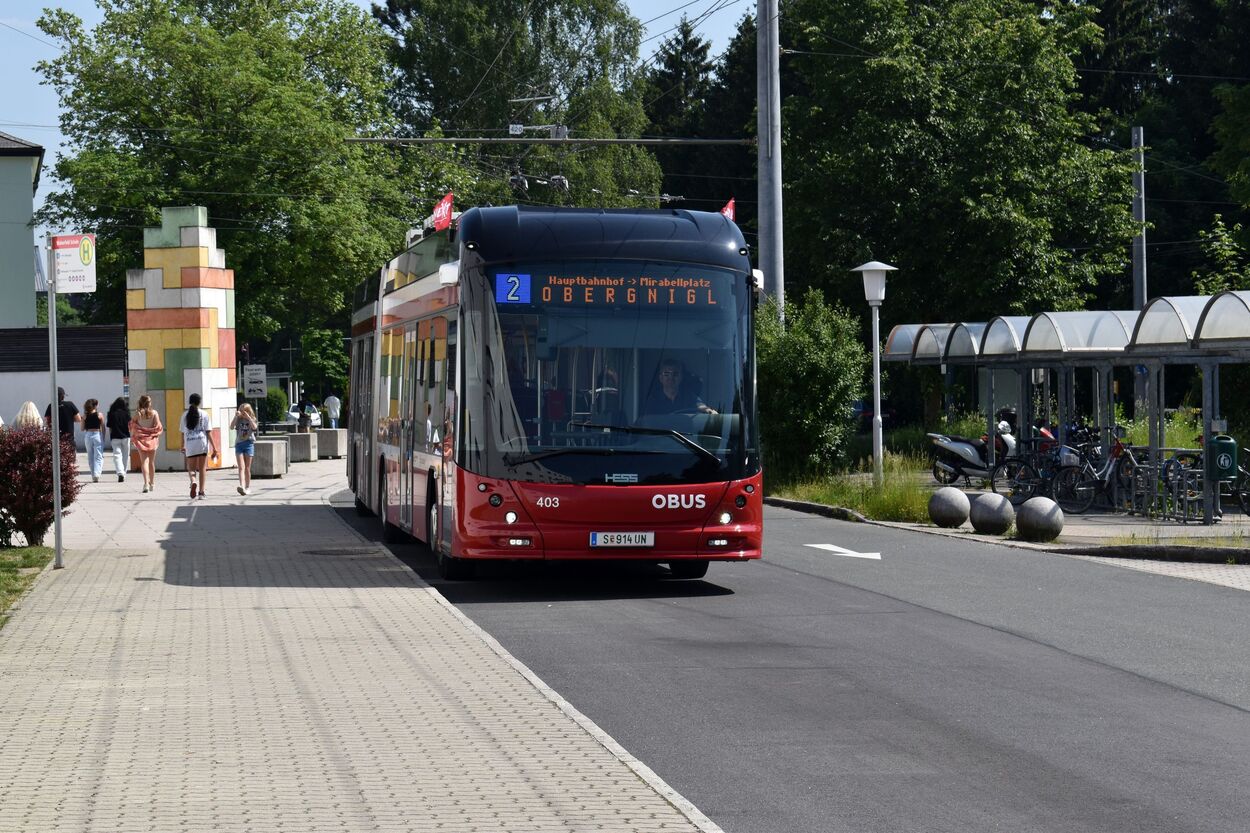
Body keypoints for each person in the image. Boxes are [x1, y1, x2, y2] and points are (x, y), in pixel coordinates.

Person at [643, 358, 716, 415]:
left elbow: (702, 407)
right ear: (660, 378)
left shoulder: (688, 396)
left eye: (675, 374)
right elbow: (648, 422)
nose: (671, 377)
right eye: (666, 374)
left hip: (684, 434)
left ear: (681, 378)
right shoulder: (653, 399)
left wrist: (709, 411)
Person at [180, 393, 219, 499]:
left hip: (190, 444)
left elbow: (183, 432)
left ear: (189, 401)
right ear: (199, 402)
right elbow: (208, 432)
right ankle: (201, 493)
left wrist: (182, 445)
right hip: (202, 443)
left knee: (191, 468)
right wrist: (215, 448)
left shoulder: (184, 415)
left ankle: (193, 481)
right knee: (202, 469)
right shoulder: (205, 414)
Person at [129, 394, 164, 493]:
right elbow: (157, 427)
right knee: (151, 462)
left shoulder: (137, 414)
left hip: (141, 440)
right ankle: (152, 483)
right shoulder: (154, 413)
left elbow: (132, 425)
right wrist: (152, 432)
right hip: (152, 439)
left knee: (144, 462)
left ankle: (146, 484)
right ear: (149, 403)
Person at [230, 403, 259, 496]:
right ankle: (242, 486)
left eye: (244, 411)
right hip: (239, 444)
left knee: (247, 468)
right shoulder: (239, 419)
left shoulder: (252, 419)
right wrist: (235, 416)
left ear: (248, 411)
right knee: (241, 467)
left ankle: (247, 487)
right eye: (241, 411)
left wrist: (248, 418)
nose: (242, 413)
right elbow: (231, 427)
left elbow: (254, 427)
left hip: (249, 444)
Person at [106, 397, 131, 483]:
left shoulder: (111, 414)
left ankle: (120, 472)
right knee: (125, 456)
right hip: (126, 436)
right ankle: (123, 472)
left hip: (115, 437)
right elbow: (130, 426)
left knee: (117, 455)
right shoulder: (127, 413)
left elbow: (110, 427)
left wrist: (111, 437)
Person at [81, 399, 105, 482]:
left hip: (88, 435)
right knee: (98, 456)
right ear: (95, 405)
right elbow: (103, 427)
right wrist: (103, 437)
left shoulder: (84, 416)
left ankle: (93, 474)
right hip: (97, 434)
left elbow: (82, 428)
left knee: (90, 455)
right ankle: (96, 474)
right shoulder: (100, 415)